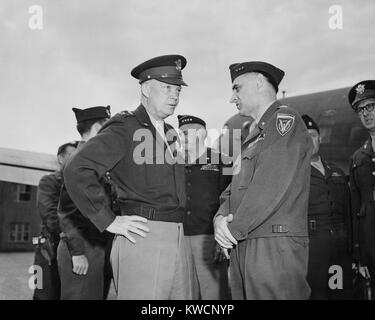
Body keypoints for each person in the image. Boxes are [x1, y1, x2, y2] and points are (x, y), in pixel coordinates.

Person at [63, 55, 195, 300]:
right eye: (167, 87)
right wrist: (108, 220)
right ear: (145, 88)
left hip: (179, 235)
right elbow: (77, 169)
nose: (174, 96)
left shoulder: (170, 133)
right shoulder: (125, 127)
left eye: (177, 89)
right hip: (143, 236)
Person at [214, 61, 312, 300]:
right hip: (245, 239)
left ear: (258, 82)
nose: (231, 97)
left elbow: (271, 184)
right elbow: (233, 188)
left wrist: (231, 231)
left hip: (273, 244)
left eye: (237, 88)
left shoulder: (284, 120)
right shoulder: (253, 136)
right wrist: (219, 219)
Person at [57, 106, 112, 300]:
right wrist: (78, 252)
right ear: (98, 127)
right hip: (82, 248)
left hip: (94, 246)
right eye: (109, 127)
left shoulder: (93, 159)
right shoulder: (81, 160)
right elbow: (67, 210)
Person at [178, 114, 231, 300]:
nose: (182, 136)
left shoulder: (223, 162)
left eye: (187, 133)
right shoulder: (175, 164)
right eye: (180, 133)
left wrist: (221, 239)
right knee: (185, 294)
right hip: (180, 239)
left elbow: (231, 200)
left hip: (209, 238)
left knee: (215, 294)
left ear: (201, 134)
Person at [302, 114, 353, 300]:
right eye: (304, 137)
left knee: (339, 292)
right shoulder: (295, 176)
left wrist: (353, 250)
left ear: (320, 138)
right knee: (316, 295)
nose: (310, 140)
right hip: (311, 250)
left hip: (339, 249)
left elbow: (348, 213)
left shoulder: (336, 172)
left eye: (313, 136)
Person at [33, 141, 77, 300]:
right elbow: (51, 217)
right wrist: (74, 236)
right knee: (42, 292)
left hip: (69, 247)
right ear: (60, 158)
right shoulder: (48, 181)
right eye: (72, 155)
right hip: (48, 249)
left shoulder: (79, 184)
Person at [348, 80, 375, 299]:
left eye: (371, 106)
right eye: (360, 110)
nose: (365, 113)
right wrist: (360, 256)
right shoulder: (358, 158)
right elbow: (357, 210)